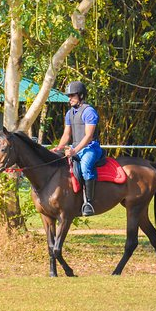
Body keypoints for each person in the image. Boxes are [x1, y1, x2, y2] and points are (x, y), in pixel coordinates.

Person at [51, 81, 103, 216]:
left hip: (91, 148)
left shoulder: (89, 111)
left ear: (80, 95)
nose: (69, 99)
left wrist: (75, 151)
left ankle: (89, 203)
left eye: (72, 96)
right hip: (76, 147)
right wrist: (59, 147)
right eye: (69, 96)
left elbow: (89, 136)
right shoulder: (69, 113)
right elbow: (67, 134)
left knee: (86, 167)